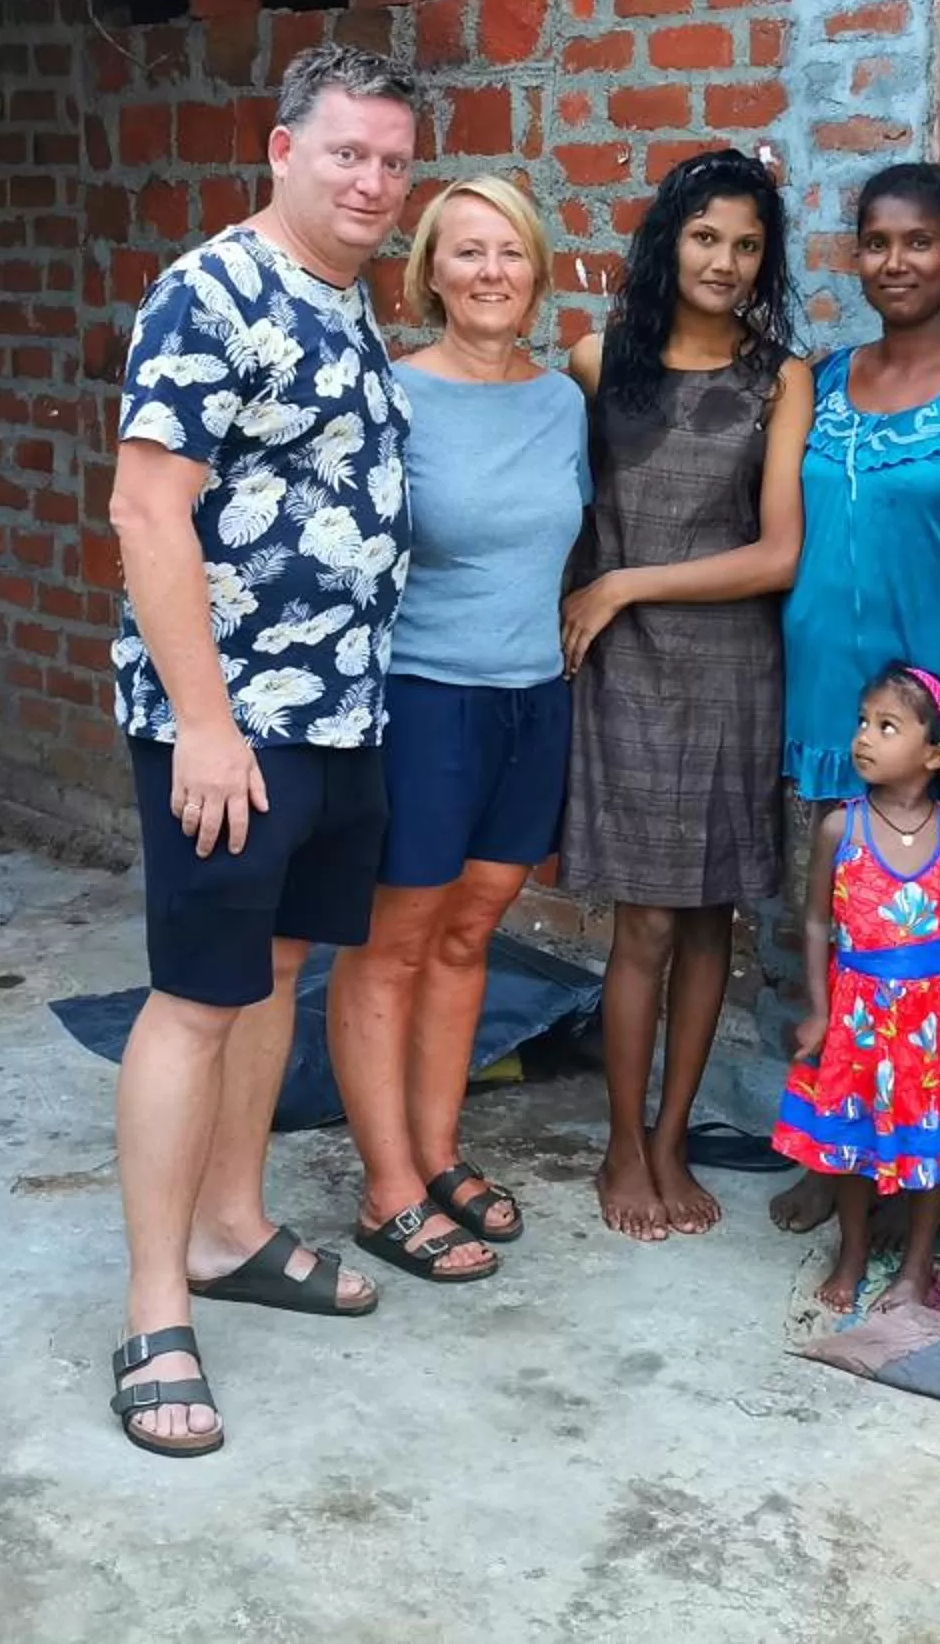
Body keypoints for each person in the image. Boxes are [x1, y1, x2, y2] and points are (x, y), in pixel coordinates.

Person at [102, 43, 422, 1459]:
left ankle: (233, 1228)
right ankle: (156, 1306)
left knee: (280, 970)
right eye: (345, 152)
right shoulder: (210, 289)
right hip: (233, 726)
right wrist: (209, 723)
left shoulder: (352, 300)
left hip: (345, 711)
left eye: (393, 160)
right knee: (193, 993)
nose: (371, 180)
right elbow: (145, 512)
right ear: (279, 149)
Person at [770, 160, 940, 1239]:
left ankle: (916, 1165)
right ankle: (837, 1152)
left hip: (939, 729)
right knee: (829, 939)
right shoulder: (826, 379)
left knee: (923, 954)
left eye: (919, 242)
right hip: (830, 717)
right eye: (876, 241)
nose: (895, 262)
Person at [329, 175, 586, 1286]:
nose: (490, 273)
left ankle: (437, 1153)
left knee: (472, 932)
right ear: (428, 271)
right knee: (391, 943)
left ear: (537, 272)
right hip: (424, 700)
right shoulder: (390, 395)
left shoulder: (563, 400)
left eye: (511, 254)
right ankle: (385, 1186)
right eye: (467, 253)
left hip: (535, 697)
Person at [562, 147, 812, 1241]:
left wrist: (625, 580)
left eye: (747, 244)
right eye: (706, 236)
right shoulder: (592, 360)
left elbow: (779, 556)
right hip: (624, 672)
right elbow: (556, 512)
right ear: (670, 240)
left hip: (732, 672)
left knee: (713, 916)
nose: (725, 259)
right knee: (648, 921)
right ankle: (623, 1140)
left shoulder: (780, 379)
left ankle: (673, 1136)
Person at [771, 662, 940, 1315]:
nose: (864, 737)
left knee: (931, 1147)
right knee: (849, 1146)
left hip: (928, 1018)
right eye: (863, 722)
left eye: (887, 726)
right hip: (857, 1014)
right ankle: (853, 1253)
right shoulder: (843, 828)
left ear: (936, 753)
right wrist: (818, 1009)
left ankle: (917, 1268)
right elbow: (815, 920)